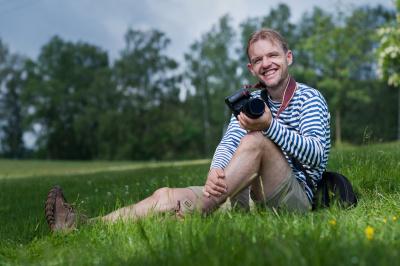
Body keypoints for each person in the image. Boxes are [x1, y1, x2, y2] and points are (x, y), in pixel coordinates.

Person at [45, 28, 330, 231]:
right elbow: (229, 141)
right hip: (251, 196)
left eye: (273, 55)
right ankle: (82, 225)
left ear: (288, 57)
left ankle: (198, 214)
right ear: (251, 67)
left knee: (256, 140)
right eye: (258, 60)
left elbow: (317, 155)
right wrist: (216, 170)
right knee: (165, 195)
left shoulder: (310, 98)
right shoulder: (252, 101)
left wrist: (269, 126)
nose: (266, 63)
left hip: (295, 200)